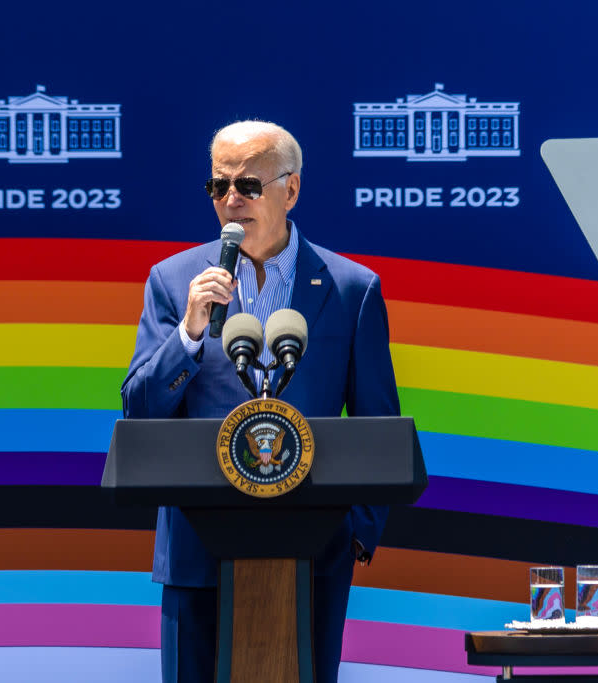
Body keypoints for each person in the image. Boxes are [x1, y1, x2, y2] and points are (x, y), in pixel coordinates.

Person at [121, 120, 399, 683]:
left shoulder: (350, 288)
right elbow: (140, 411)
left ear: (290, 190)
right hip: (198, 549)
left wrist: (357, 534)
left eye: (248, 186)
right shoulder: (174, 282)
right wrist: (190, 334)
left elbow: (378, 420)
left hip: (315, 550)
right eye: (217, 187)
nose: (230, 201)